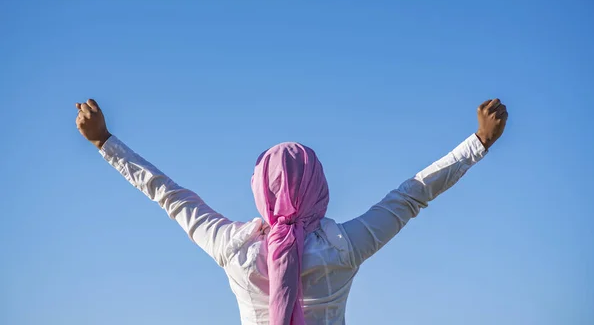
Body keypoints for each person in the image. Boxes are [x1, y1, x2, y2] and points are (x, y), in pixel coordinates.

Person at [75, 98, 508, 325]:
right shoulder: (345, 246)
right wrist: (479, 143)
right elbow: (411, 196)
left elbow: (168, 195)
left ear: (261, 189)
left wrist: (104, 142)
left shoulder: (234, 247)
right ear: (319, 187)